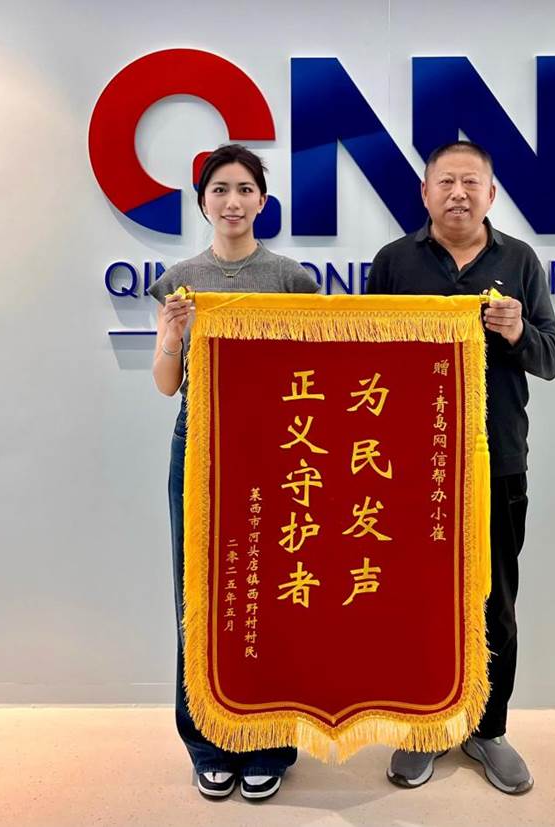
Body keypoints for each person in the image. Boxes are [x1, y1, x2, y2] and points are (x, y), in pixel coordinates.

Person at [366, 140, 555, 795]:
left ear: (491, 194)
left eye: (470, 182)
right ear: (424, 193)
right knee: (414, 598)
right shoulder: (394, 262)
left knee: (495, 602)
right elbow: (366, 360)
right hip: (410, 465)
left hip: (497, 461)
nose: (458, 193)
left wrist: (518, 332)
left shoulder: (520, 261)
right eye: (445, 182)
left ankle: (488, 728)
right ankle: (423, 725)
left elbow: (553, 358)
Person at [149, 144, 319, 801]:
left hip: (276, 451)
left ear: (262, 201)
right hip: (198, 448)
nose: (232, 201)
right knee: (198, 596)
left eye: (245, 188)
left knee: (273, 596)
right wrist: (171, 335)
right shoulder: (180, 281)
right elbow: (167, 384)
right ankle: (206, 741)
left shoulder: (292, 279)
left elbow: (314, 372)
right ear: (202, 202)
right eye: (219, 189)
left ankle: (269, 742)